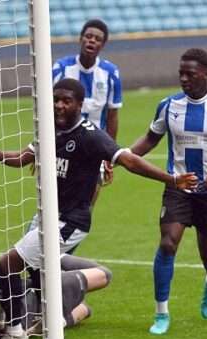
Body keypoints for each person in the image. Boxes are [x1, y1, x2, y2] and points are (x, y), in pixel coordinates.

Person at [0, 78, 197, 339]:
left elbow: (129, 160)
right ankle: (50, 318)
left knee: (6, 265)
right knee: (37, 272)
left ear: (80, 104)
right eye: (56, 99)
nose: (59, 105)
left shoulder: (91, 135)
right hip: (45, 215)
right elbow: (23, 158)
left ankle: (16, 332)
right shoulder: (47, 128)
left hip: (69, 221)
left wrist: (171, 180)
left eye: (66, 101)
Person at [130, 48, 207, 335]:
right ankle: (161, 314)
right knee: (167, 243)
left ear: (206, 73)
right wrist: (121, 155)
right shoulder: (168, 106)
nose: (184, 79)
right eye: (181, 73)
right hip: (178, 188)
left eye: (190, 74)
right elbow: (150, 139)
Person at [52, 19, 121, 208]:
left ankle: (67, 237)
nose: (92, 41)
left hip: (94, 147)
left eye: (97, 39)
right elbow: (47, 110)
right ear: (80, 39)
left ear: (103, 44)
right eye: (88, 36)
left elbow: (112, 115)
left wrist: (109, 153)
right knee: (54, 203)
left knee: (84, 208)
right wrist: (43, 148)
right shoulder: (61, 69)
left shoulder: (111, 73)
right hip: (63, 146)